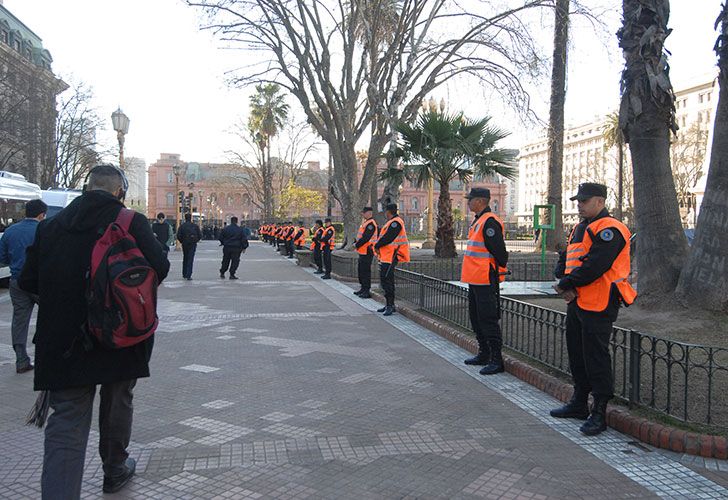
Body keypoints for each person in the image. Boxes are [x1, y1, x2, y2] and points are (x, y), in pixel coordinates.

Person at [19, 164, 169, 497]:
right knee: (118, 400)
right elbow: (161, 267)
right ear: (120, 191)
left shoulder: (52, 227)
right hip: (122, 332)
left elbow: (28, 281)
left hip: (65, 341)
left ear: (87, 188)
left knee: (67, 421)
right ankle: (114, 468)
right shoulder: (131, 222)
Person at [550, 182, 637, 436]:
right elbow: (570, 258)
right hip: (577, 300)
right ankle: (579, 402)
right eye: (578, 200)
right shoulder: (580, 227)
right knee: (578, 354)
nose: (579, 204)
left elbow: (596, 265)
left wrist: (566, 283)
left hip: (600, 302)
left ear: (600, 201)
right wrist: (561, 274)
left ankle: (599, 411)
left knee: (596, 357)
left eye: (584, 201)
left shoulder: (611, 229)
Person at [460, 188, 509, 375]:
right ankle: (484, 353)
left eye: (470, 199)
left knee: (488, 319)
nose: (468, 202)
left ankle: (496, 359)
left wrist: (494, 271)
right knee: (476, 317)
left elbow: (500, 252)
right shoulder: (478, 221)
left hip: (485, 278)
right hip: (475, 278)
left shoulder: (489, 222)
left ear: (480, 201)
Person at [0, 198, 47, 373]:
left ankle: (21, 360)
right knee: (49, 316)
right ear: (42, 214)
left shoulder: (10, 231)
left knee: (19, 320)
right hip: (40, 282)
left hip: (16, 281)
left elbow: (2, 258)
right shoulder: (45, 229)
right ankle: (45, 356)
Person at [373, 204, 410, 316]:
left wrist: (377, 245)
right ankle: (389, 304)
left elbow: (388, 237)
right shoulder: (391, 222)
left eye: (385, 212)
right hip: (386, 256)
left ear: (389, 212)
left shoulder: (396, 223)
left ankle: (390, 305)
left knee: (388, 282)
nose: (385, 214)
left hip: (392, 256)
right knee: (385, 281)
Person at [353, 207, 378, 299]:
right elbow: (361, 236)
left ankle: (366, 290)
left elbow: (366, 238)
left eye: (364, 213)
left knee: (366, 271)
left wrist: (356, 244)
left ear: (369, 213)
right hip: (363, 250)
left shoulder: (371, 224)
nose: (362, 214)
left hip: (368, 250)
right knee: (361, 270)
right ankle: (363, 288)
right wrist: (356, 242)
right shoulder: (365, 223)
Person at [176, 213, 202, 280]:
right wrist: (195, 241)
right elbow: (200, 235)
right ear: (191, 218)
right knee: (190, 259)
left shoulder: (182, 226)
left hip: (185, 244)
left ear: (185, 218)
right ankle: (188, 274)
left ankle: (184, 273)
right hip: (192, 244)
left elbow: (178, 235)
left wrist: (182, 241)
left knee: (185, 258)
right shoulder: (195, 226)